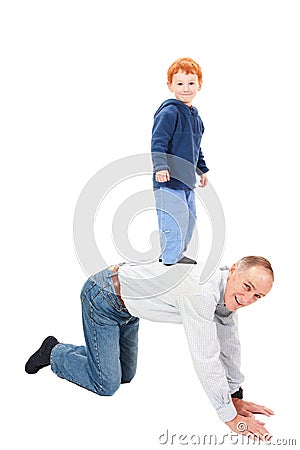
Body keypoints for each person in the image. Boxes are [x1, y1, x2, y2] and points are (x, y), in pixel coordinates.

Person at [25, 256, 275, 441]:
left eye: (258, 296)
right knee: (106, 384)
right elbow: (206, 356)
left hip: (129, 309)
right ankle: (54, 352)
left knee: (125, 375)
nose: (248, 299)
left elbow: (229, 344)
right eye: (247, 287)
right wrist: (228, 416)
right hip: (103, 297)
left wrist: (235, 396)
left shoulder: (225, 294)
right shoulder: (201, 291)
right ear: (233, 270)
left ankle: (94, 356)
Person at [151, 57, 209, 266]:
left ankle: (176, 255)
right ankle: (168, 262)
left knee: (189, 220)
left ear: (199, 85)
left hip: (186, 181)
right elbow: (158, 142)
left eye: (191, 83)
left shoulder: (195, 117)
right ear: (170, 86)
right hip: (168, 180)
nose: (186, 88)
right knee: (173, 221)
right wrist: (160, 167)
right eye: (180, 83)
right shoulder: (169, 112)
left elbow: (196, 146)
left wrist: (201, 170)